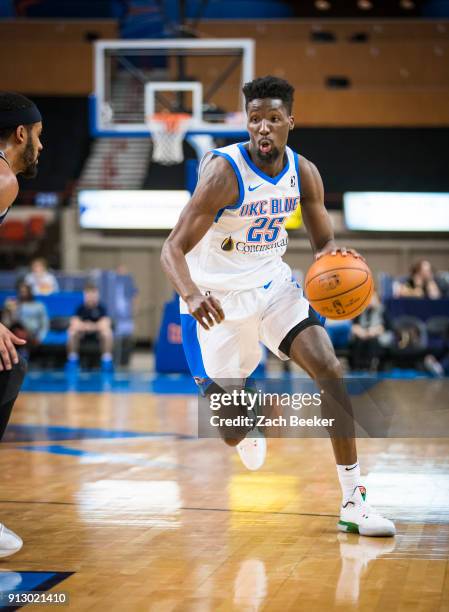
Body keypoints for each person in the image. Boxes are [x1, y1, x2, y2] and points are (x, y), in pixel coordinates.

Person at [161, 76, 395, 537]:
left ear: (290, 120)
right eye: (254, 119)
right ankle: (246, 425)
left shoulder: (303, 172)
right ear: (245, 123)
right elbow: (171, 248)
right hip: (215, 305)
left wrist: (334, 263)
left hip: (272, 287)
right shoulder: (223, 173)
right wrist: (190, 295)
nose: (263, 128)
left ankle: (353, 500)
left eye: (272, 118)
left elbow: (323, 240)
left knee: (329, 368)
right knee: (231, 428)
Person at [0, 90, 43, 556]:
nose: (41, 145)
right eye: (38, 136)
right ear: (19, 134)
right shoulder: (3, 178)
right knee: (8, 368)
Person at [66, 283, 114, 370]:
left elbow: (106, 323)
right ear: (85, 295)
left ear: (97, 295)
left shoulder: (101, 308)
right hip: (83, 334)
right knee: (71, 332)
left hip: (98, 334)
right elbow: (74, 323)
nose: (91, 297)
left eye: (93, 294)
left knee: (107, 332)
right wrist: (86, 326)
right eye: (88, 294)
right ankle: (73, 360)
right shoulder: (80, 308)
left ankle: (106, 360)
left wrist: (91, 326)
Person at [1, 282, 49, 358]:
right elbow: (8, 323)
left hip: (32, 333)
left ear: (30, 292)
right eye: (21, 292)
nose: (23, 294)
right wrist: (9, 311)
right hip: (15, 330)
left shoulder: (39, 305)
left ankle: (22, 353)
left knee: (21, 334)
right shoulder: (14, 304)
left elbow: (44, 324)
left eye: (25, 292)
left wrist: (40, 337)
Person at [350, 292, 392, 371]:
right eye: (369, 299)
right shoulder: (361, 311)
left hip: (377, 336)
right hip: (363, 335)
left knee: (373, 342)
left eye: (373, 298)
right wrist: (360, 332)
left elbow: (389, 326)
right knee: (358, 341)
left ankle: (372, 366)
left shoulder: (382, 310)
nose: (370, 301)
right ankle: (358, 367)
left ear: (378, 300)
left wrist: (377, 330)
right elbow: (354, 325)